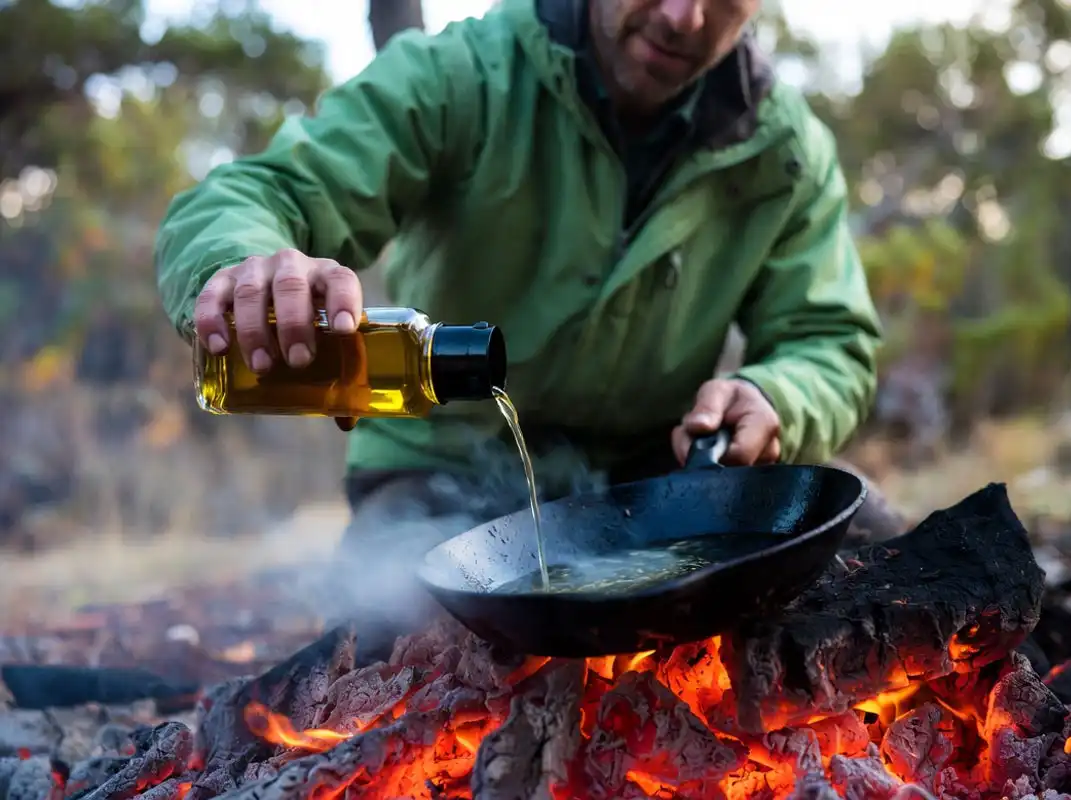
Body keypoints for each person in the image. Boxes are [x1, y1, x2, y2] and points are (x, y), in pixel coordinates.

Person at [155, 0, 895, 655]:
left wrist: (776, 396)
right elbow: (263, 190)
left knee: (881, 552)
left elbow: (827, 339)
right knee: (413, 641)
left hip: (662, 482)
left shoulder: (784, 150)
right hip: (437, 472)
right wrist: (242, 262)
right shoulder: (464, 73)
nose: (682, 17)